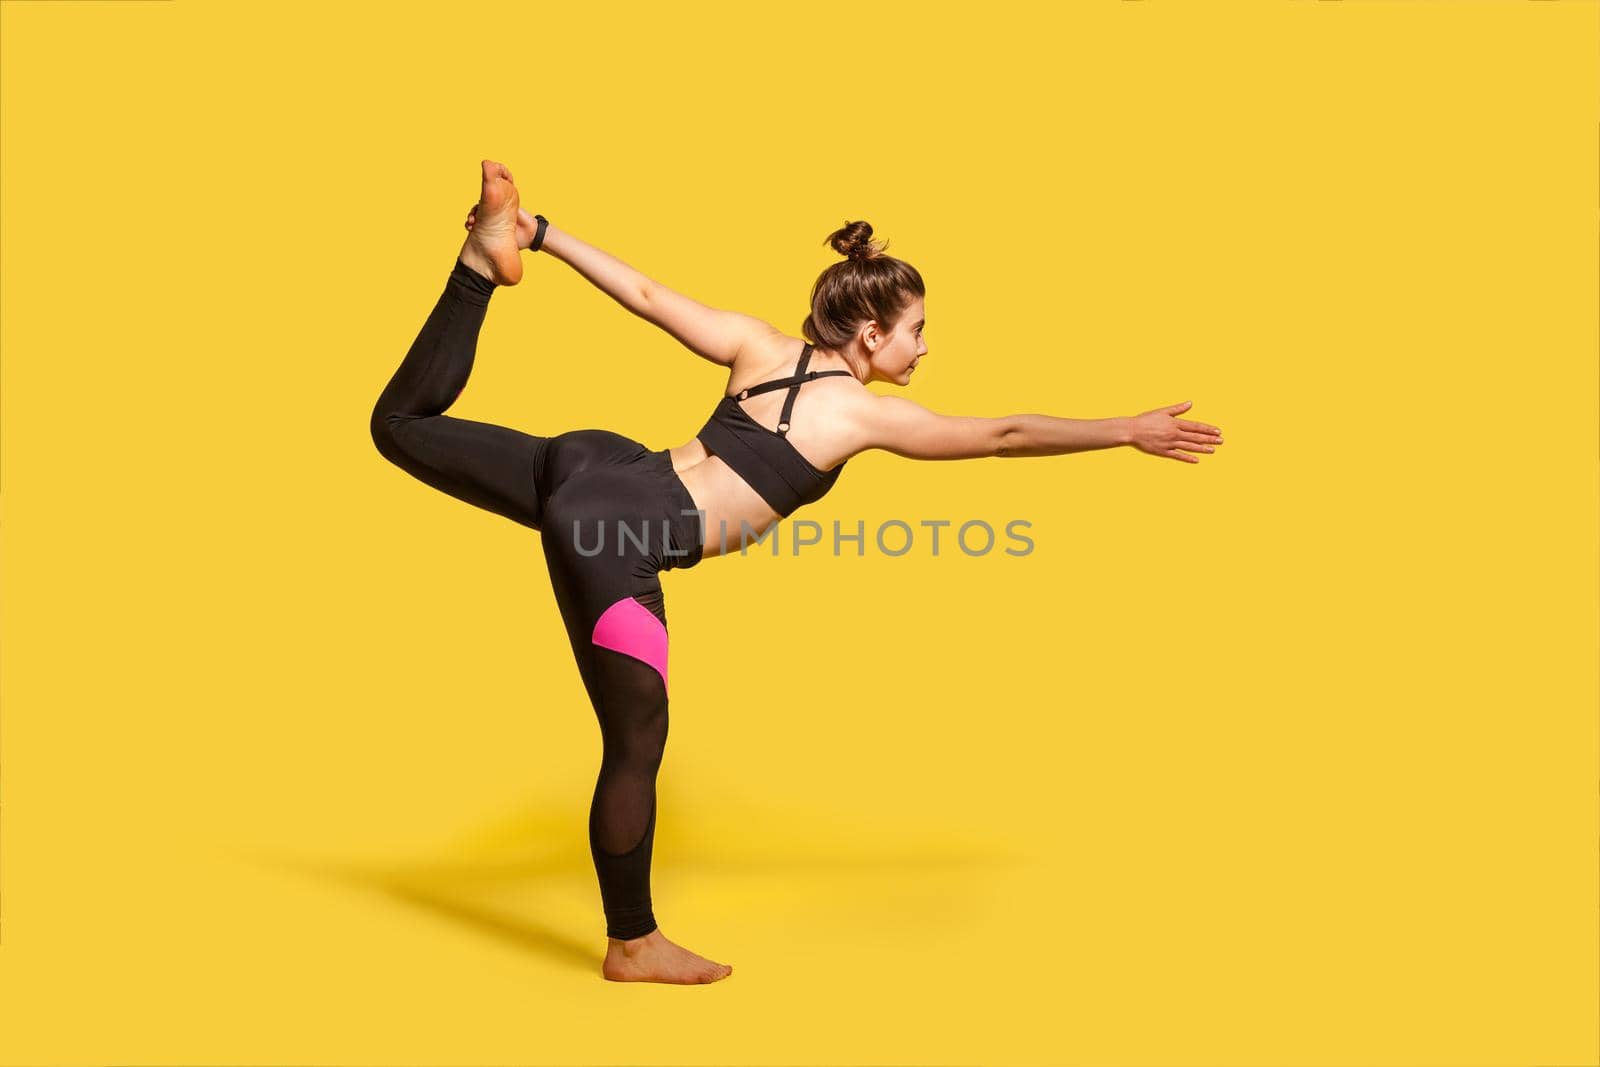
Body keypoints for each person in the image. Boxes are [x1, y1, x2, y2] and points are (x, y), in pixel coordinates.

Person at [370, 160, 1225, 985]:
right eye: (917, 330)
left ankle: (484, 257)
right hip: (611, 529)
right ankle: (632, 943)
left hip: (601, 465)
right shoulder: (859, 415)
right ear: (872, 334)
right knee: (637, 741)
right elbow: (1002, 435)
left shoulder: (759, 344)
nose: (925, 348)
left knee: (399, 423)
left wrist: (544, 234)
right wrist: (1122, 429)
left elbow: (646, 295)